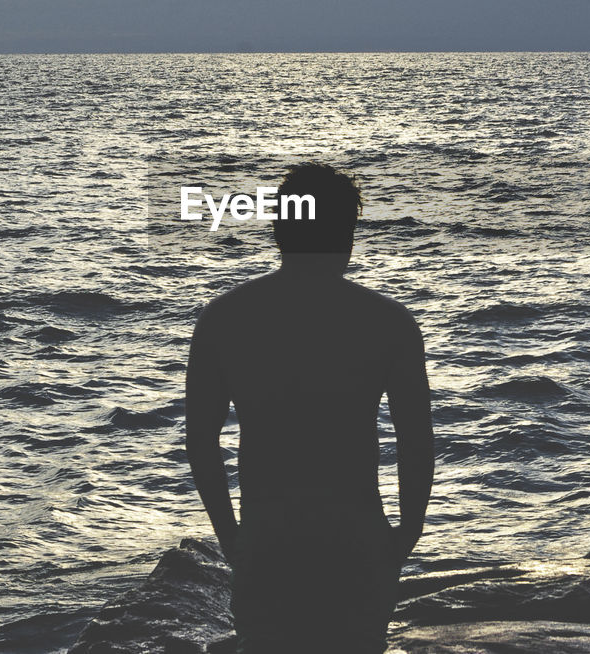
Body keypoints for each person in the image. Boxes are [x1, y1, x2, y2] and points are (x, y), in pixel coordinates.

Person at [186, 163, 433, 654]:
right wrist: (408, 530)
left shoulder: (226, 318)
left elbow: (200, 439)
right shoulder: (387, 322)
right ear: (348, 233)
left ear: (280, 229)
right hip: (355, 535)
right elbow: (415, 437)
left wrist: (231, 536)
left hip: (268, 534)